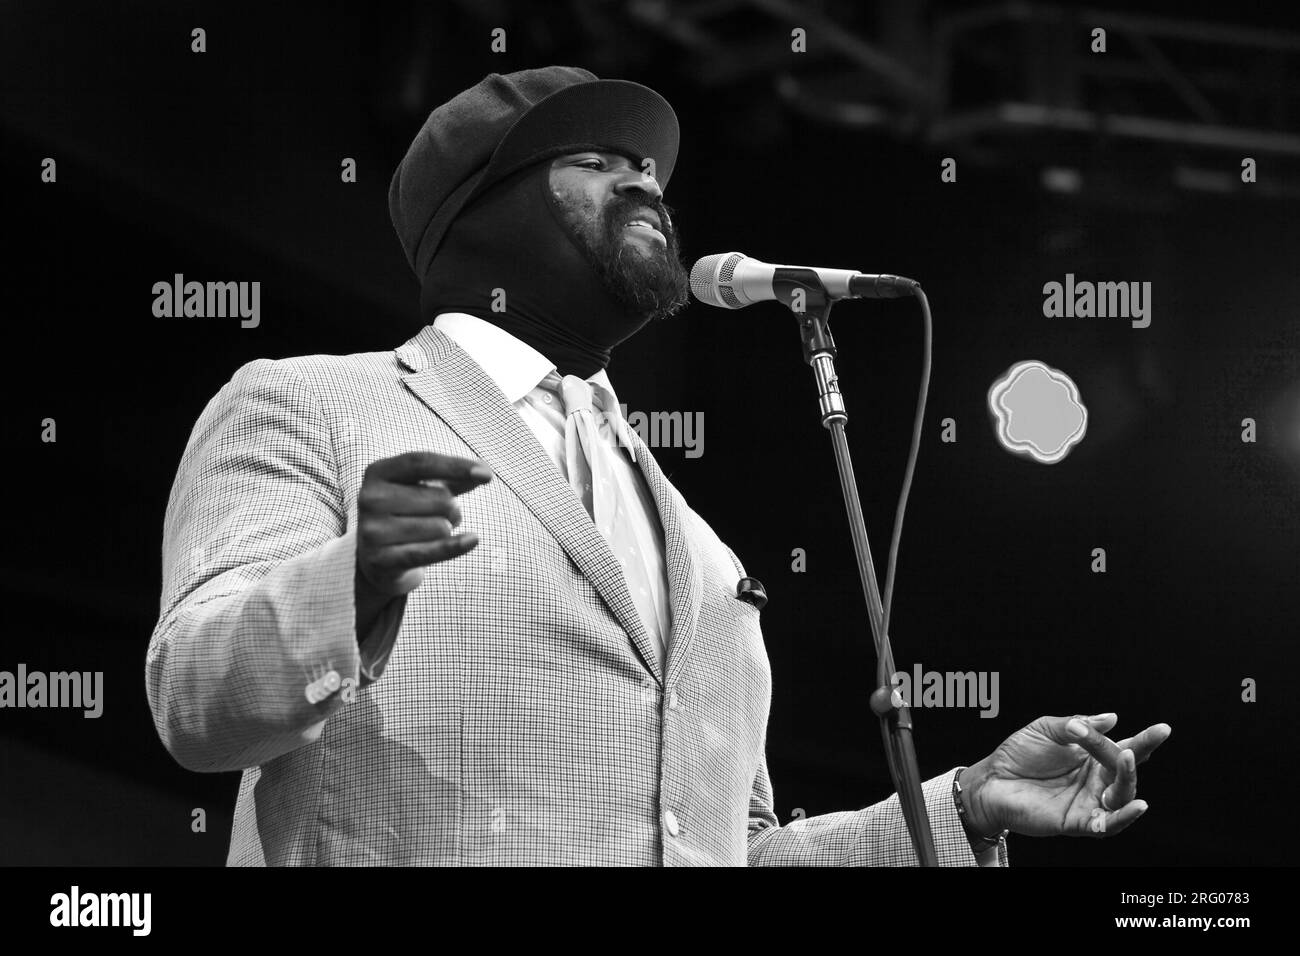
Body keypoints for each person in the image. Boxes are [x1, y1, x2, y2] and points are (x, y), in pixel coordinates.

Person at [146, 66, 1170, 866]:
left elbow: (728, 846)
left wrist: (954, 808)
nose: (642, 177)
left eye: (644, 165)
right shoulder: (310, 402)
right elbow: (194, 699)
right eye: (593, 160)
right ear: (481, 207)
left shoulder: (700, 545)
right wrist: (349, 580)